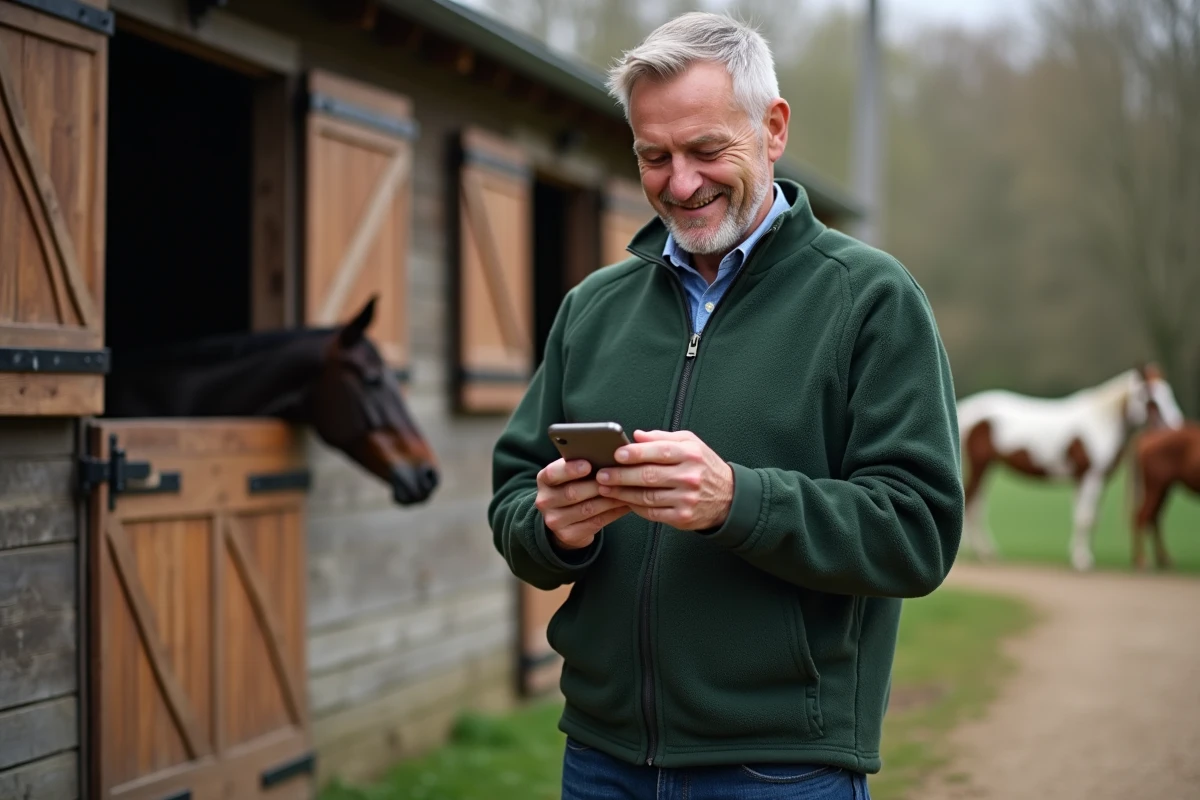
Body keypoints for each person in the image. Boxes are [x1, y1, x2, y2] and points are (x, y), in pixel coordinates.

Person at [489, 11, 963, 800]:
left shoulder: (871, 299)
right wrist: (552, 530)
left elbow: (917, 532)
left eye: (708, 150)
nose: (680, 182)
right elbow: (513, 500)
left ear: (773, 129)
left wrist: (738, 501)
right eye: (654, 156)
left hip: (782, 767)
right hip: (602, 759)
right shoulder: (591, 308)